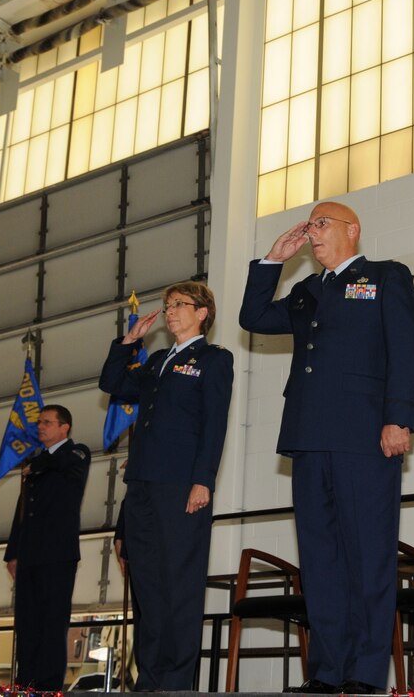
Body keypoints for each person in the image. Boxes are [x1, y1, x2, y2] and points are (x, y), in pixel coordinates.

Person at [239, 201, 414, 694]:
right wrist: (273, 261)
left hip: (365, 435)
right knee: (320, 561)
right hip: (308, 435)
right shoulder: (305, 290)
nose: (313, 232)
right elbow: (254, 315)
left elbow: (408, 349)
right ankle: (327, 671)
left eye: (322, 223)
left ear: (353, 230)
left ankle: (365, 673)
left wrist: (399, 417)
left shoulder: (385, 277)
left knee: (368, 556)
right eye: (310, 225)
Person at [98, 280, 233, 691]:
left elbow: (214, 424)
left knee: (180, 585)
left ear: (202, 312)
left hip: (181, 487)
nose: (170, 311)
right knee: (148, 587)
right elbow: (112, 384)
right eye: (168, 305)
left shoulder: (213, 359)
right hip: (141, 486)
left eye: (179, 304)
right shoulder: (156, 361)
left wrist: (202, 481)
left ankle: (176, 682)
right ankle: (150, 678)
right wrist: (128, 342)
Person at [4, 404, 91, 691]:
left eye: (48, 422)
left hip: (57, 553)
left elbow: (62, 465)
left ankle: (47, 684)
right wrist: (13, 552)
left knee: (52, 619)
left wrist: (39, 464)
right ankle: (25, 682)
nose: (40, 427)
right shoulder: (36, 461)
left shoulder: (76, 453)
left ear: (64, 427)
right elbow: (22, 508)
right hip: (29, 552)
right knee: (27, 621)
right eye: (39, 422)